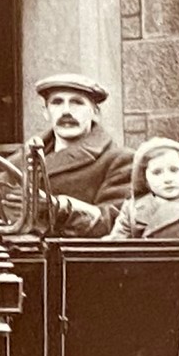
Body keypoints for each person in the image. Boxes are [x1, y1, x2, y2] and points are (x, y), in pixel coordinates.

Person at [23, 71, 132, 237]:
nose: (66, 111)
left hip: (76, 258)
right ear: (46, 112)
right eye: (57, 102)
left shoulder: (120, 160)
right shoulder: (24, 158)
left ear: (95, 112)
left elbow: (115, 221)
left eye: (77, 103)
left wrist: (61, 208)